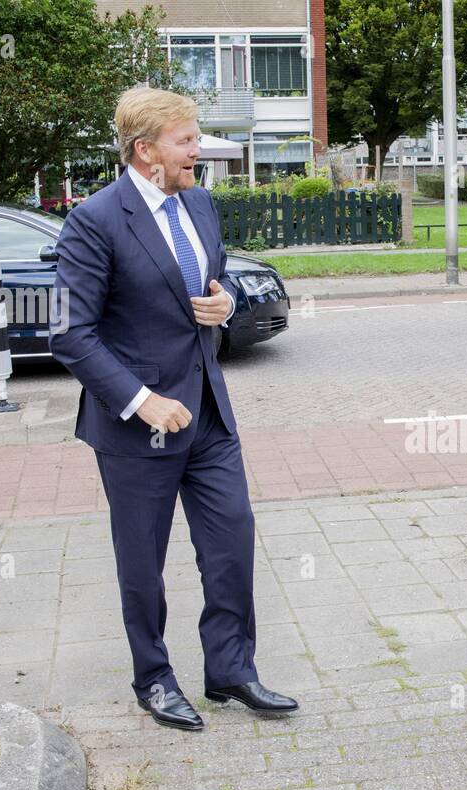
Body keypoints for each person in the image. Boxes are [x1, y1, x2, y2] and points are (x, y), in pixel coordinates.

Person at [49, 87, 298, 731]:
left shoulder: (200, 204)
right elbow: (70, 334)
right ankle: (154, 679)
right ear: (146, 151)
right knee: (143, 562)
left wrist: (222, 307)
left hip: (208, 411)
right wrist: (141, 401)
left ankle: (231, 671)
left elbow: (207, 289)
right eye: (187, 140)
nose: (199, 150)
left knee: (232, 541)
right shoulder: (95, 220)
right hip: (140, 427)